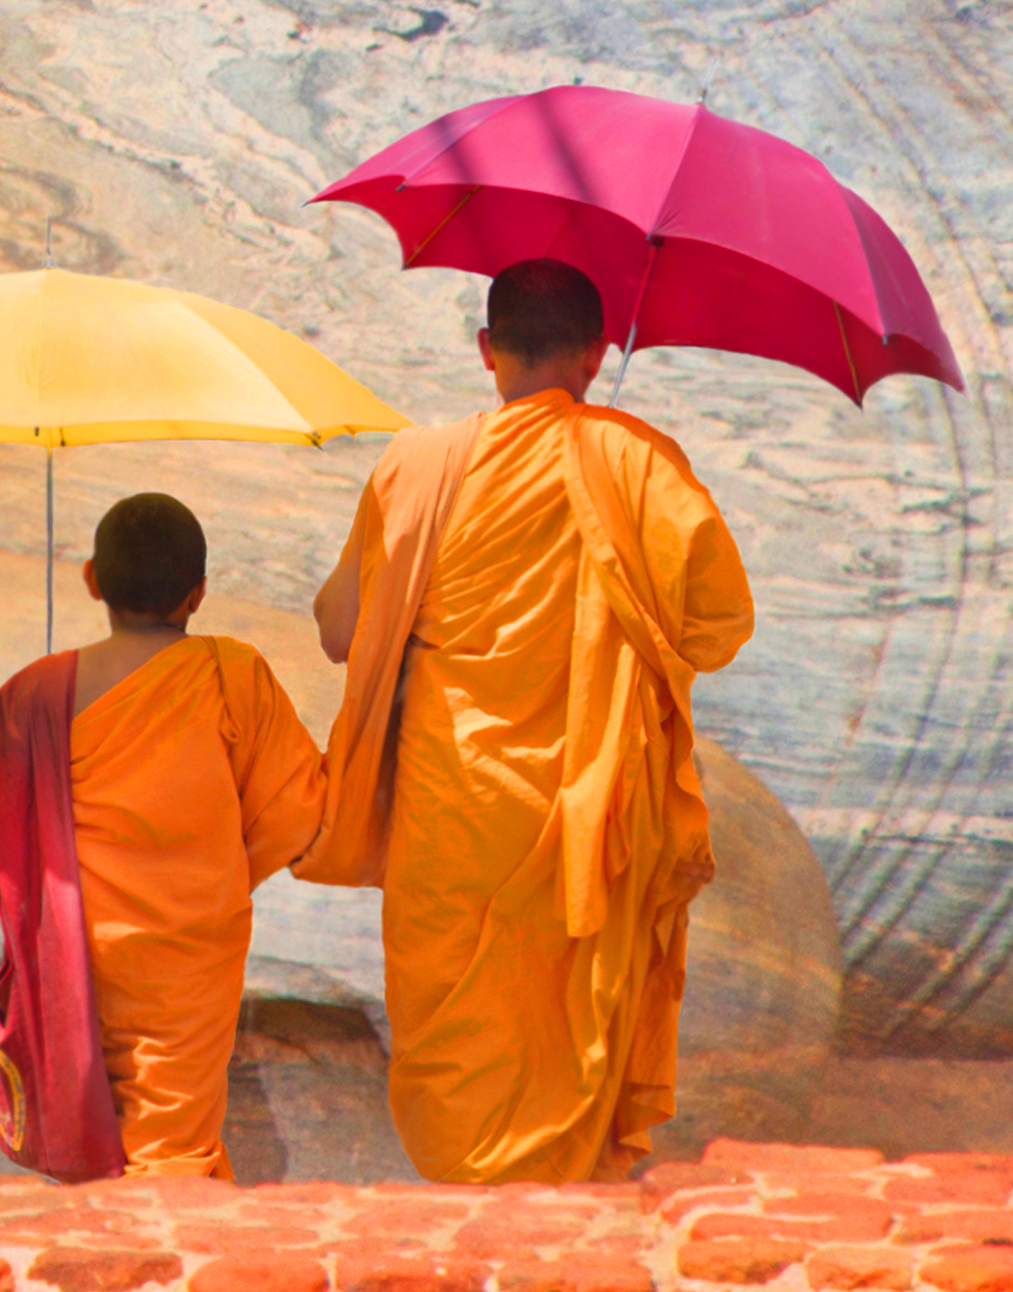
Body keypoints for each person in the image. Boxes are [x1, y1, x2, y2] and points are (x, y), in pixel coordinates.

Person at [304, 258, 755, 1183]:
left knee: (451, 1022)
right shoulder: (633, 459)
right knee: (570, 1015)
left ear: (484, 349)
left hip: (448, 805)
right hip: (582, 811)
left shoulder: (415, 464)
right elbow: (717, 627)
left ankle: (462, 1204)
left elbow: (341, 630)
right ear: (595, 354)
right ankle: (561, 1230)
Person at [0, 492, 328, 1182]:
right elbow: (297, 812)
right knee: (172, 1142)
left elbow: (5, 815)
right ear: (198, 594)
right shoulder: (227, 674)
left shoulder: (39, 690)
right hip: (186, 954)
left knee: (90, 1127)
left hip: (71, 947)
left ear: (92, 579)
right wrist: (219, 870)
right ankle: (163, 1261)